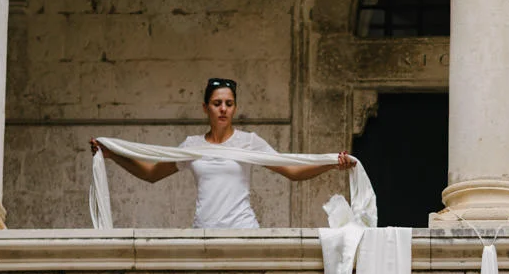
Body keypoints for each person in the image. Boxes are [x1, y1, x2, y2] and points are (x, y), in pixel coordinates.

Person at [89, 78, 353, 229]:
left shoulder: (249, 142)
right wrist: (113, 155)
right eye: (217, 104)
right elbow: (150, 174)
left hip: (244, 231)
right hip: (204, 232)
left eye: (229, 103)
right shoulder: (192, 146)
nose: (223, 109)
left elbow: (293, 171)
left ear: (235, 107)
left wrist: (331, 163)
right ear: (206, 108)